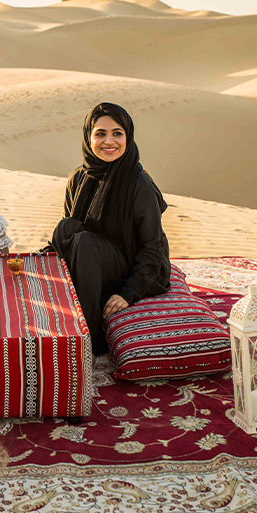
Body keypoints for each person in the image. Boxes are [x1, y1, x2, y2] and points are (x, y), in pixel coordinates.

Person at [51, 102, 171, 355]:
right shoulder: (79, 177)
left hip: (133, 262)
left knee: (84, 244)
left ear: (128, 136)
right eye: (100, 134)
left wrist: (129, 293)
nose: (109, 141)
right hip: (93, 259)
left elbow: (152, 248)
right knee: (65, 228)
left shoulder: (139, 183)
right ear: (88, 137)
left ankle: (90, 338)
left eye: (117, 133)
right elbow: (71, 231)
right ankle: (60, 315)